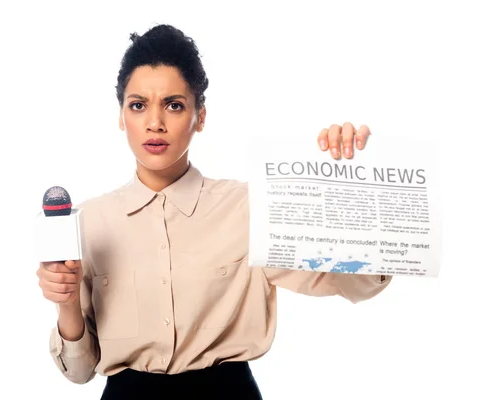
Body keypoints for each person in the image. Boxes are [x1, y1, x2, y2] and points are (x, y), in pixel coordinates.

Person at [36, 24, 392, 400]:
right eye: (138, 105)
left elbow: (356, 282)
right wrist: (67, 302)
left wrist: (356, 182)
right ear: (122, 116)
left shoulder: (250, 208)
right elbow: (79, 371)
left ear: (200, 117)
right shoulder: (91, 222)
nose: (154, 122)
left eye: (174, 105)